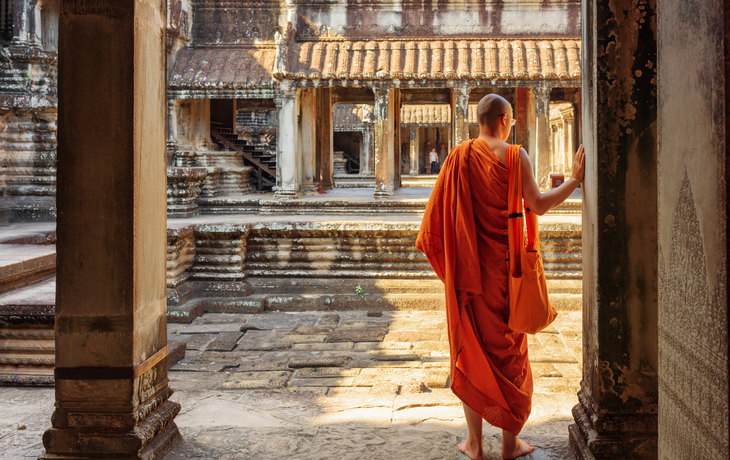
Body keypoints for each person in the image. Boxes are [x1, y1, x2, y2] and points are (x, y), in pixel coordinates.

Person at [416, 94, 585, 460]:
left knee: (471, 356)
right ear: (505, 119)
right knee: (511, 356)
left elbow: (434, 223)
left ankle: (475, 445)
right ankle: (511, 445)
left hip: (470, 278)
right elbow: (538, 204)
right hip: (507, 277)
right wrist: (574, 180)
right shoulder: (514, 155)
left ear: (480, 120)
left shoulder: (458, 157)